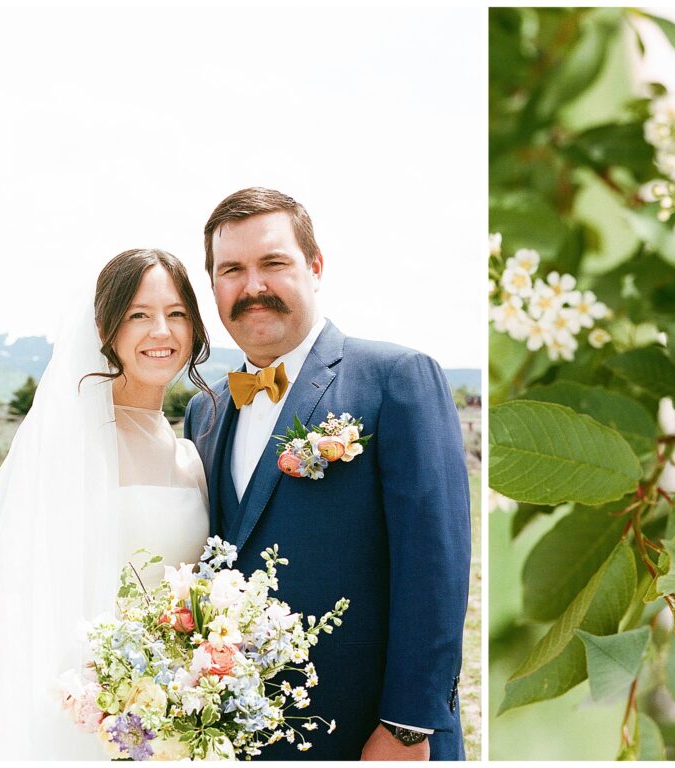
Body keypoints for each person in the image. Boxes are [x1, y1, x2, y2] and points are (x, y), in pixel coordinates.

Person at [183, 188, 471, 761]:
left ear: (315, 267)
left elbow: (434, 564)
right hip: (239, 736)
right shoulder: (204, 410)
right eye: (231, 269)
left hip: (372, 735)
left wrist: (408, 727)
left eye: (273, 263)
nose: (252, 286)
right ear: (212, 284)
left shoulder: (397, 378)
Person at [0, 249, 213, 759]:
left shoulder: (191, 455)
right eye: (138, 315)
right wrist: (102, 699)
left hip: (179, 715)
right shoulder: (73, 443)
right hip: (90, 715)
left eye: (176, 314)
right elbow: (23, 592)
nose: (161, 331)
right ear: (105, 329)